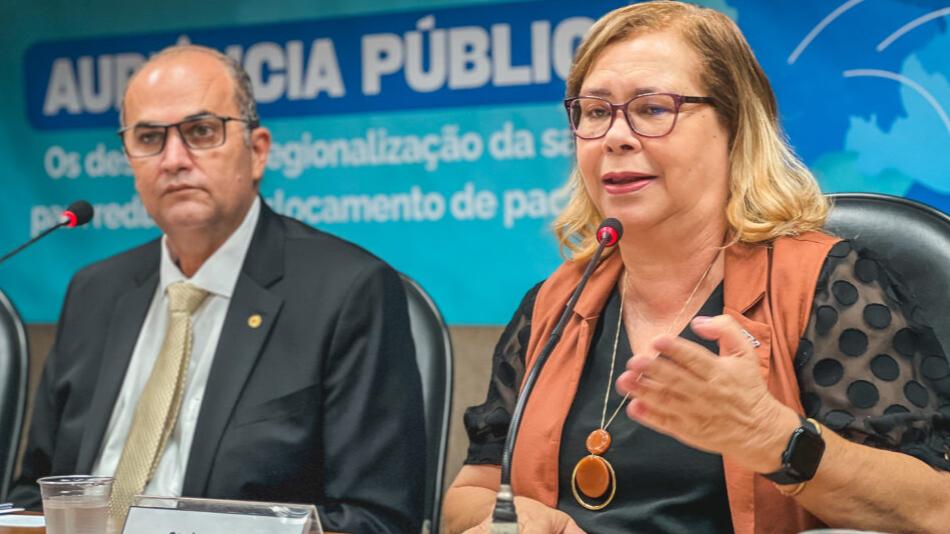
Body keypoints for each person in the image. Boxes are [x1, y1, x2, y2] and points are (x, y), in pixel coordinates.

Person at [443, 2, 950, 533]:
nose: (615, 136)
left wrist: (778, 440)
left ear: (734, 127)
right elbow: (465, 497)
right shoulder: (555, 302)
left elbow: (934, 507)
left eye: (652, 108)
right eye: (595, 112)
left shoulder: (828, 285)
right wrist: (518, 516)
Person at [9, 44, 426, 533]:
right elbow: (34, 494)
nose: (173, 160)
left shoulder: (347, 292)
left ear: (257, 151)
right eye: (149, 138)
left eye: (202, 131)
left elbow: (376, 519)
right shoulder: (94, 292)